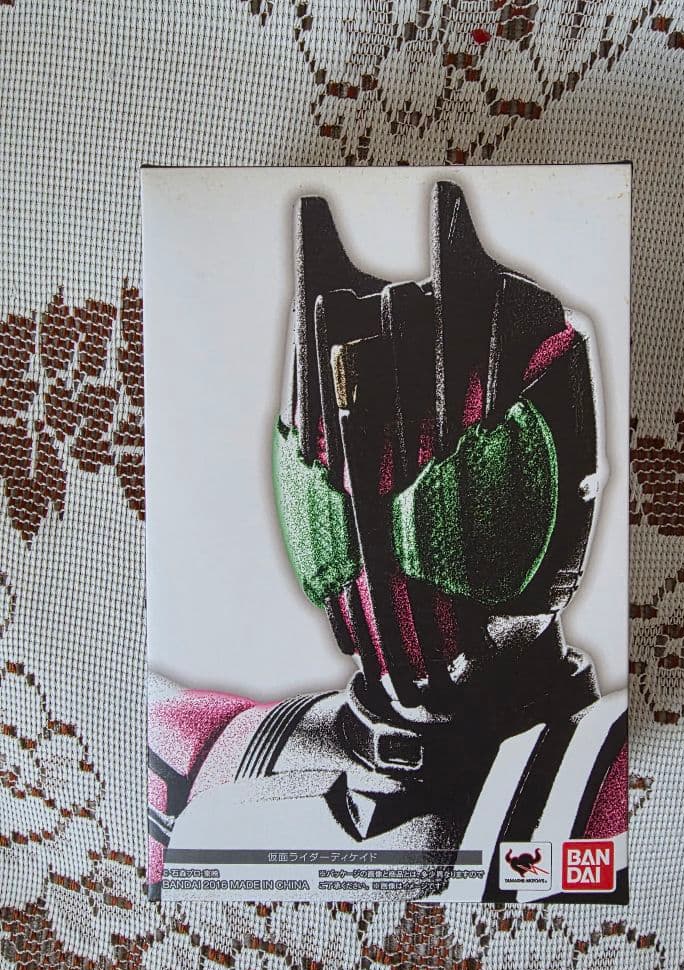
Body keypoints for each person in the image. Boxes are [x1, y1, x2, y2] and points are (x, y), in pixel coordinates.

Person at [147, 182, 627, 902]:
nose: (381, 546)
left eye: (458, 496)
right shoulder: (209, 753)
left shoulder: (610, 778)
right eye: (334, 496)